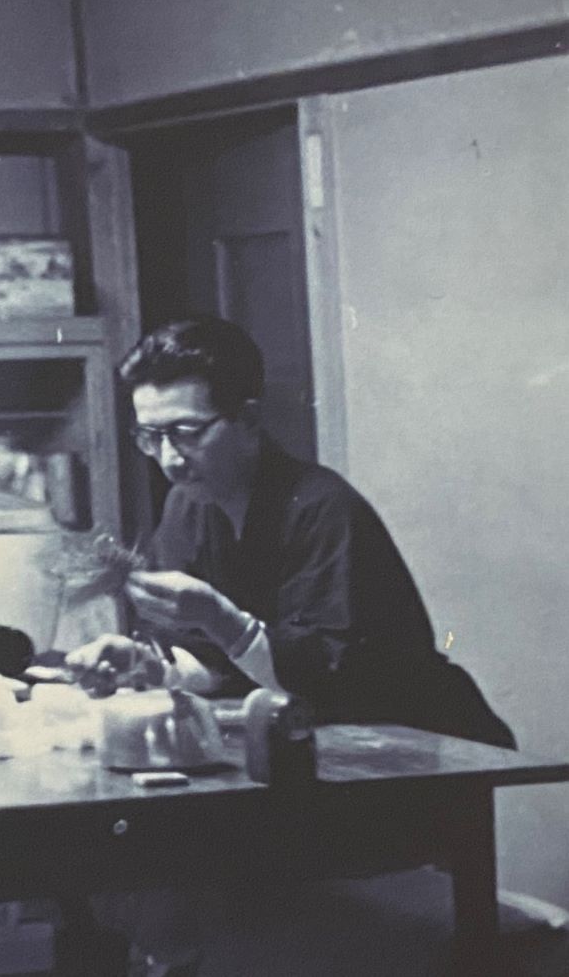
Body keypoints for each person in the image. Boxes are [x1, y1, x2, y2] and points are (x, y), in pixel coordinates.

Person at [70, 316, 512, 748]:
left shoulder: (323, 507)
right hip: (327, 741)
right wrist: (153, 667)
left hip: (420, 740)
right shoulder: (186, 506)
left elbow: (329, 677)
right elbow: (221, 665)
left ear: (248, 420)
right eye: (151, 436)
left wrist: (222, 619)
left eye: (187, 433)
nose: (169, 458)